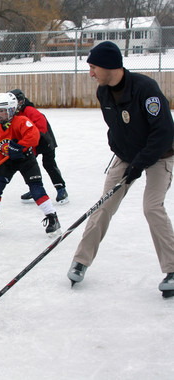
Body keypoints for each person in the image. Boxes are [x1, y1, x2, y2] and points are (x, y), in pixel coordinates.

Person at [67, 41, 174, 298]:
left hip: (160, 155)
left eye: (93, 67)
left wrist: (140, 162)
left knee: (152, 206)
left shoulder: (145, 89)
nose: (90, 73)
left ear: (109, 66)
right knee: (104, 205)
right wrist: (119, 148)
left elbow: (164, 132)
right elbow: (115, 126)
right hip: (126, 156)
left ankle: (172, 269)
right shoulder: (103, 92)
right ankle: (81, 260)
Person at [0, 92, 61, 236]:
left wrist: (21, 146)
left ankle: (52, 218)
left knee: (36, 190)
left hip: (26, 160)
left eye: (3, 111)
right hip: (7, 161)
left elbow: (34, 136)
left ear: (11, 110)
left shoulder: (22, 121)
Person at [9, 89, 69, 204]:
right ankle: (35, 188)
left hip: (45, 141)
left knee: (49, 164)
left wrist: (30, 138)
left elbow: (41, 126)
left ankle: (61, 189)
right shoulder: (16, 115)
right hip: (32, 144)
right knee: (29, 166)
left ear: (21, 101)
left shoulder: (29, 110)